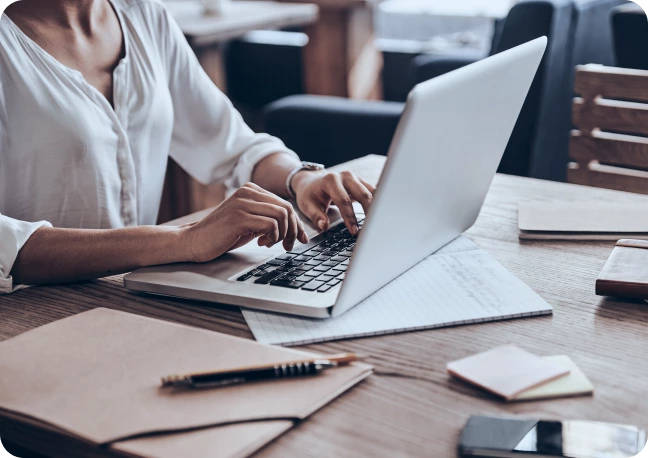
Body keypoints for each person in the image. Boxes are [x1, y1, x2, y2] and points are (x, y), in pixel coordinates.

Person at [0, 0, 375, 293]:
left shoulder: (146, 17)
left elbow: (231, 143)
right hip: (29, 309)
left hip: (128, 294)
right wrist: (183, 241)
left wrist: (301, 178)